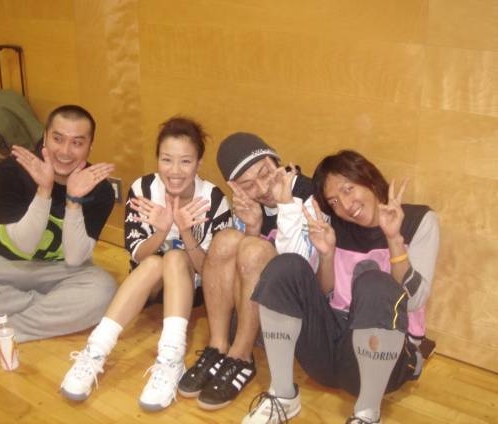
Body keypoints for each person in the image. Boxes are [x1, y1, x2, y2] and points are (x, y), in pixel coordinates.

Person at [243, 150, 440, 424]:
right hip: (332, 353)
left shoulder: (418, 220)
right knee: (285, 266)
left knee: (373, 281)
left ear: (369, 179)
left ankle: (367, 414)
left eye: (349, 189)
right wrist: (327, 254)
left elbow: (415, 301)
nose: (346, 205)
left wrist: (394, 239)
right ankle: (283, 395)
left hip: (385, 359)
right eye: (334, 201)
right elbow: (325, 295)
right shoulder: (334, 225)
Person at [60, 116, 232, 410]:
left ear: (198, 163)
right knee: (153, 262)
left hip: (193, 288)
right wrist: (163, 230)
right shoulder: (143, 189)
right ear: (157, 159)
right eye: (167, 159)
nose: (175, 171)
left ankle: (171, 359)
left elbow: (210, 272)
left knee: (175, 257)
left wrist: (186, 232)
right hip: (148, 285)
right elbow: (137, 254)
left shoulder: (213, 200)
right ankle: (95, 351)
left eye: (185, 161)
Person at [0, 105, 117, 348]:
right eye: (57, 139)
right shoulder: (13, 170)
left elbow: (75, 259)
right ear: (45, 137)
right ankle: (52, 307)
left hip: (62, 270)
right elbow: (24, 245)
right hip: (7, 263)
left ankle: (0, 328)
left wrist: (74, 201)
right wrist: (44, 191)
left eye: (77, 142)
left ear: (90, 146)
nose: (65, 151)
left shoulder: (100, 189)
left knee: (104, 290)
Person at [177, 132, 316, 410]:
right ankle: (219, 347)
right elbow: (235, 267)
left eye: (265, 173)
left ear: (276, 160)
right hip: (252, 314)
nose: (262, 188)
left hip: (296, 317)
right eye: (247, 185)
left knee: (253, 249)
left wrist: (286, 207)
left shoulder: (306, 193)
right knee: (226, 239)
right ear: (235, 187)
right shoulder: (246, 202)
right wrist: (253, 227)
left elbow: (299, 268)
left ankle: (241, 356)